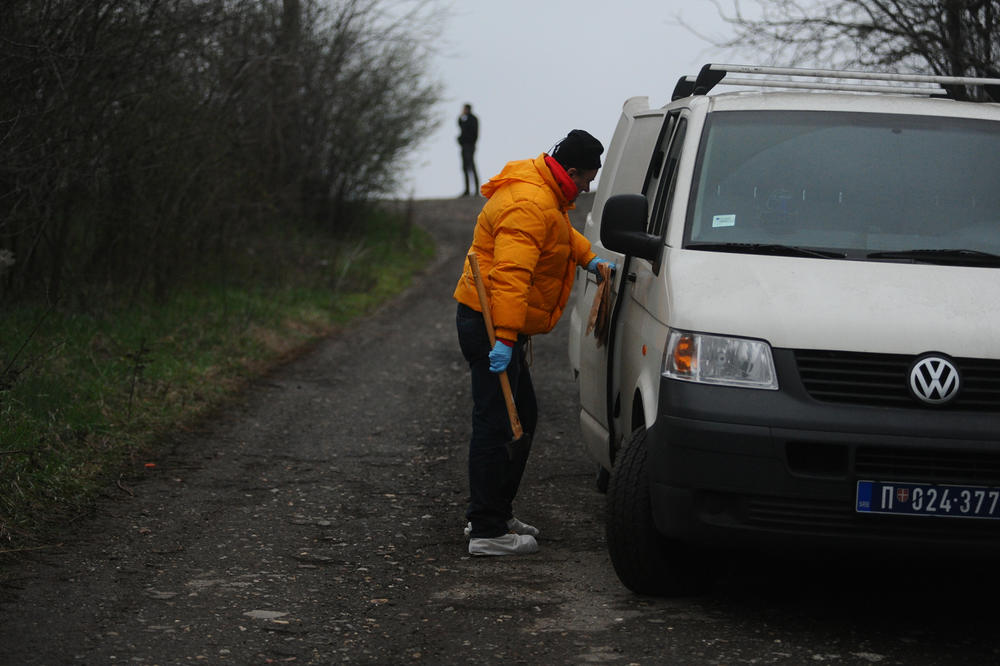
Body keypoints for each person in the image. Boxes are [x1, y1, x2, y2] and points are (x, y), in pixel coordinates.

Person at [453, 129, 616, 556]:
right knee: (499, 423)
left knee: (521, 416)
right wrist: (505, 338)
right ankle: (487, 530)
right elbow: (510, 276)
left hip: (497, 324)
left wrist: (588, 259)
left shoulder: (544, 191)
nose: (586, 188)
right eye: (586, 179)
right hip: (490, 325)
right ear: (572, 170)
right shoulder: (530, 201)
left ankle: (494, 512)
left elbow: (558, 234)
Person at [458, 104, 479, 196]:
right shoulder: (465, 119)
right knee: (465, 168)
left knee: (471, 167)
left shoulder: (472, 119)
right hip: (464, 146)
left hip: (469, 146)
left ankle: (476, 190)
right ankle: (467, 190)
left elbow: (473, 134)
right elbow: (460, 125)